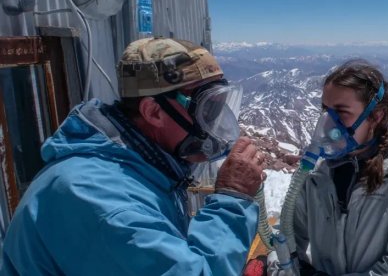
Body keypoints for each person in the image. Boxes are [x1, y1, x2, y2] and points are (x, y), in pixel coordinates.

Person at [0, 38, 266, 275]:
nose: (215, 126)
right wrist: (233, 197)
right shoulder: (100, 200)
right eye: (208, 110)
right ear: (153, 112)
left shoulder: (140, 169)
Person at [292, 59, 388, 275]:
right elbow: (287, 234)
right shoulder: (317, 174)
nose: (329, 123)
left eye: (341, 112)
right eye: (325, 110)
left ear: (375, 116)